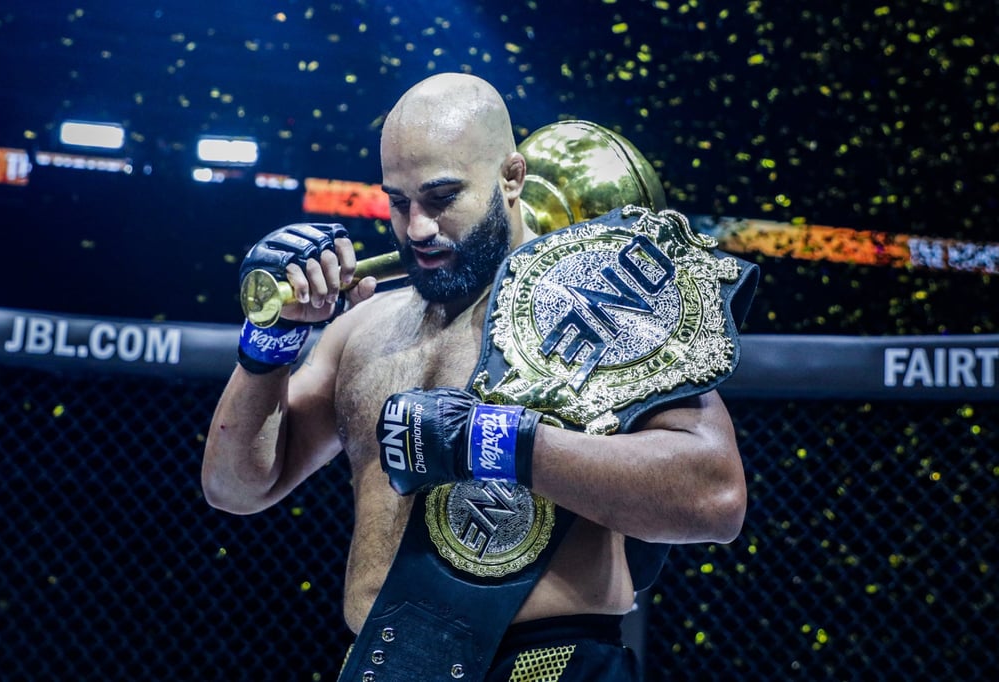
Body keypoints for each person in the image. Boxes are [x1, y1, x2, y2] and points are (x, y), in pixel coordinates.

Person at [202, 72, 747, 681]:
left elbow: (716, 498)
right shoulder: (363, 329)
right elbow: (237, 487)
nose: (417, 229)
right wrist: (270, 345)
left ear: (511, 179)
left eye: (441, 198)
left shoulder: (600, 309)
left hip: (548, 664)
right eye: (399, 202)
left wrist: (493, 442)